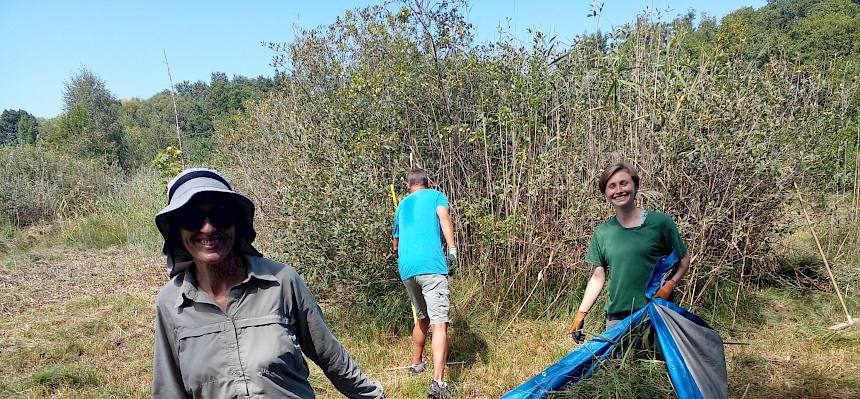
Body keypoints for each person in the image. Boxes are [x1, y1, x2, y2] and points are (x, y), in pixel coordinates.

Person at [151, 168, 384, 399]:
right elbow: (168, 390)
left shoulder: (281, 281)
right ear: (177, 231)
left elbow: (330, 356)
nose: (208, 228)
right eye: (192, 219)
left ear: (236, 224)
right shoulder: (171, 303)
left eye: (221, 215)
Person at [570, 162, 691, 343]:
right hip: (617, 318)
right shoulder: (603, 232)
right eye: (612, 186)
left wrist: (670, 285)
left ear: (635, 186)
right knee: (616, 369)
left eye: (623, 183)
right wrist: (581, 314)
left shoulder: (660, 223)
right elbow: (597, 277)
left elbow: (683, 259)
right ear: (606, 193)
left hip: (655, 314)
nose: (618, 190)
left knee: (655, 368)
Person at [392, 167, 458, 399]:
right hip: (430, 266)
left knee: (422, 317)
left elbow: (395, 244)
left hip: (407, 269)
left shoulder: (401, 205)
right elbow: (444, 217)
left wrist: (402, 258)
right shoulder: (436, 196)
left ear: (409, 185)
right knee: (439, 323)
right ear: (427, 182)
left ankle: (416, 364)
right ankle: (438, 383)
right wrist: (452, 250)